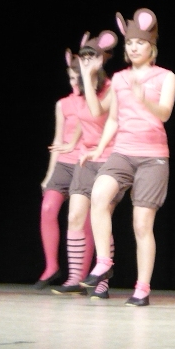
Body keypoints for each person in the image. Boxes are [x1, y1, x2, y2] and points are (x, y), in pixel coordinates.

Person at [79, 9, 175, 307]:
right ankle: (104, 262)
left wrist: (144, 97)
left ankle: (142, 288)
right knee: (98, 195)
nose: (134, 48)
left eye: (140, 43)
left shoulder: (166, 76)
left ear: (151, 47)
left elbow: (165, 113)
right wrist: (88, 77)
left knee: (141, 224)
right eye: (130, 43)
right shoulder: (120, 78)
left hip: (153, 156)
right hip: (122, 152)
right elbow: (104, 115)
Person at [51, 31, 118, 298]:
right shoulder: (80, 90)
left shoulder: (111, 87)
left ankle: (102, 282)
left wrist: (89, 80)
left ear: (101, 60)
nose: (86, 62)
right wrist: (72, 143)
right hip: (85, 157)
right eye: (83, 58)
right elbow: (82, 119)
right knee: (75, 216)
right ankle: (75, 278)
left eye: (91, 57)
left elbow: (96, 113)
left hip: (109, 158)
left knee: (101, 219)